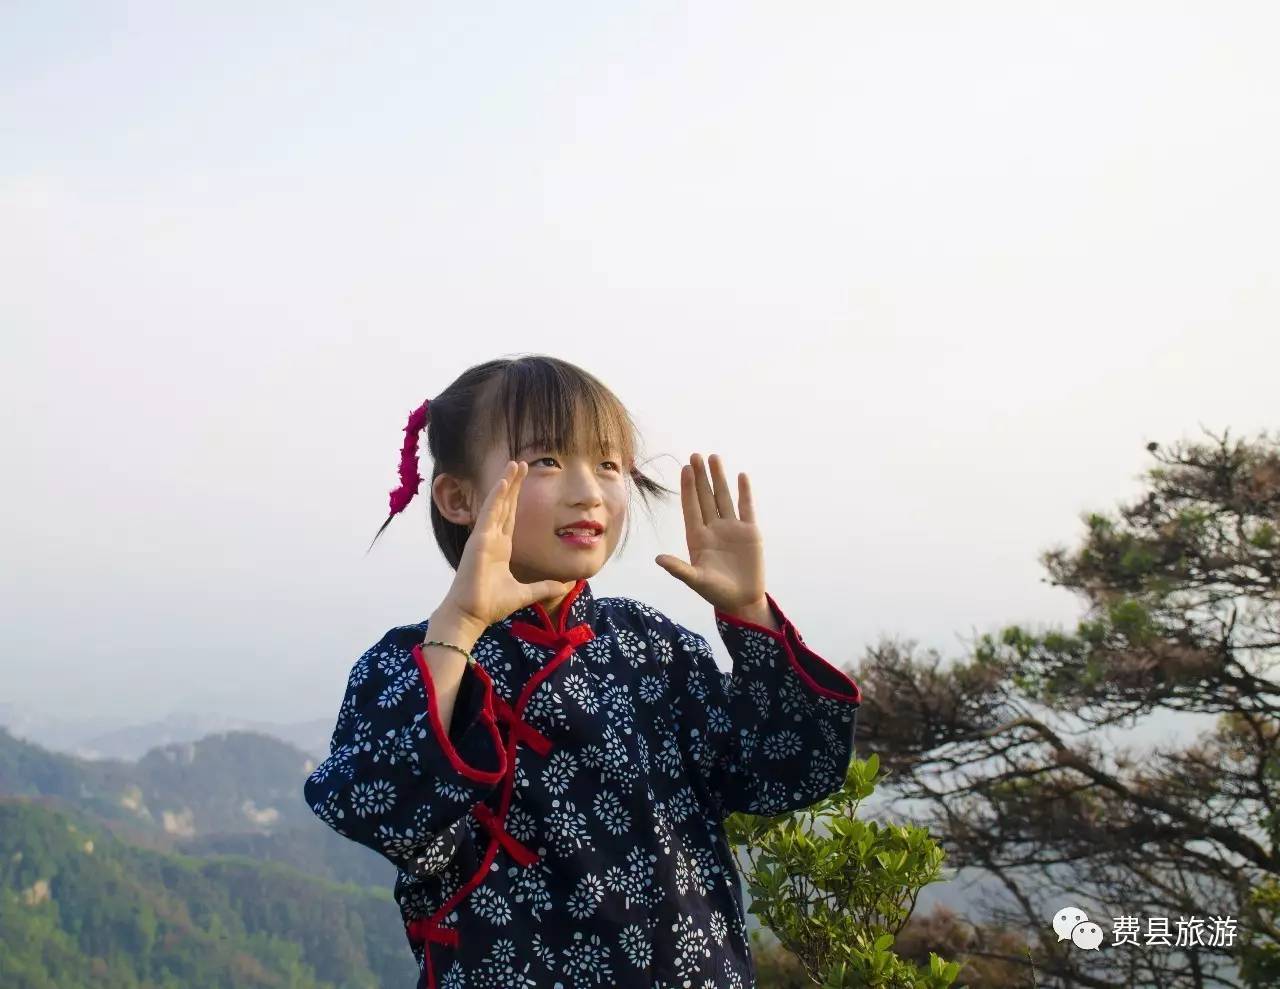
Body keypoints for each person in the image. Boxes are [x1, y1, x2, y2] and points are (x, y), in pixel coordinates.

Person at [303, 354, 862, 989]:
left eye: (608, 465)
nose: (588, 490)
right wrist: (458, 626)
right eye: (546, 460)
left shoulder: (658, 648)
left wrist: (750, 615)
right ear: (459, 497)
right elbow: (391, 820)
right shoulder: (409, 664)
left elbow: (784, 778)